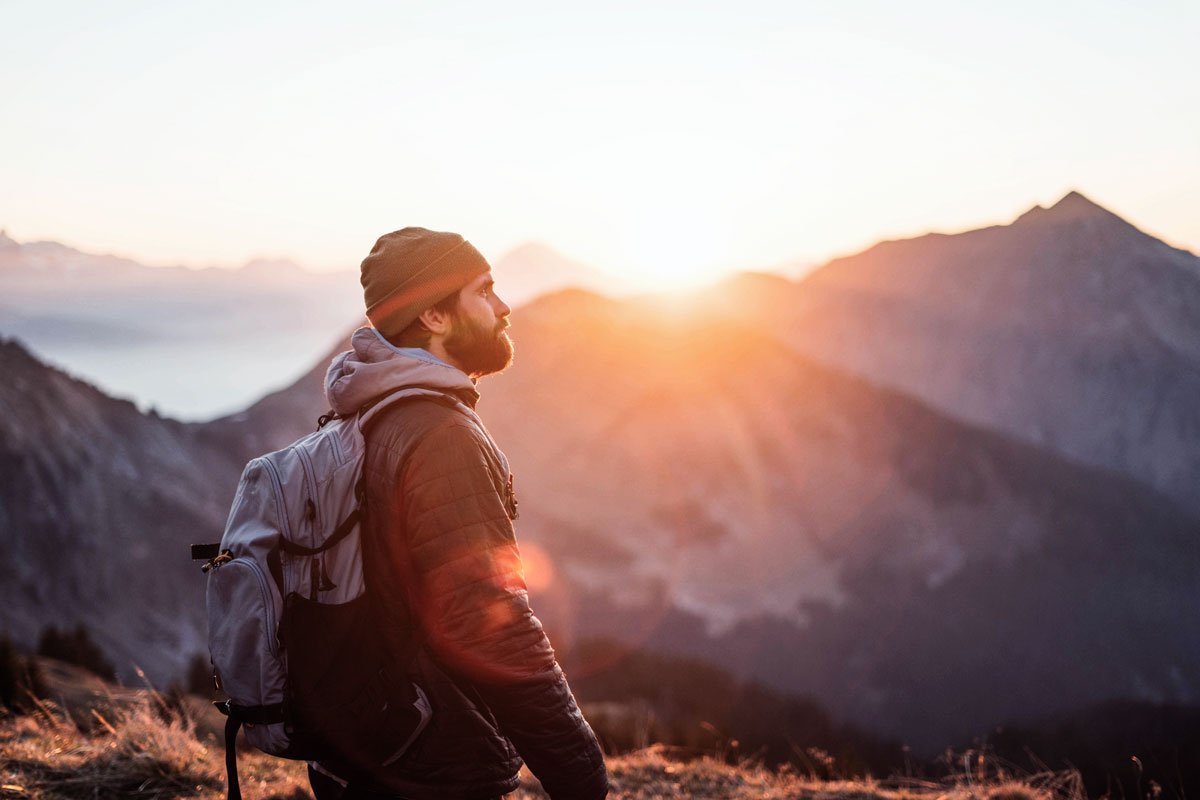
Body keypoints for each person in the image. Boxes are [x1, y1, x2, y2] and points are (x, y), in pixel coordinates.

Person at [310, 227, 609, 799]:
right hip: (430, 760)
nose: (504, 308)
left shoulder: (365, 411)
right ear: (435, 317)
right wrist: (578, 766)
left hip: (362, 743)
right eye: (484, 291)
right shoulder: (439, 434)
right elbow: (485, 619)